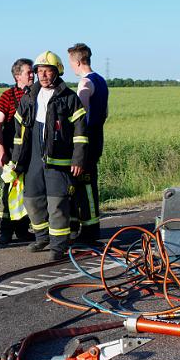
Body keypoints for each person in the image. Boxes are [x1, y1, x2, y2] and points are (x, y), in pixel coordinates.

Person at [9, 51, 88, 260]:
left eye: (48, 71)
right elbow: (19, 133)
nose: (42, 75)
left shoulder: (70, 98)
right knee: (32, 201)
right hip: (34, 159)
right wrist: (16, 161)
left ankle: (58, 246)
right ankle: (42, 236)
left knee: (57, 205)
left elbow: (80, 133)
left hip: (59, 162)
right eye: (39, 71)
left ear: (57, 71)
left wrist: (78, 159)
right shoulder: (29, 97)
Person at [67, 43, 109, 243]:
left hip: (87, 140)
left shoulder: (85, 83)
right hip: (98, 136)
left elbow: (79, 114)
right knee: (87, 183)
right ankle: (82, 226)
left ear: (77, 61)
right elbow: (106, 112)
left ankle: (90, 229)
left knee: (85, 185)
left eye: (70, 63)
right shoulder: (101, 80)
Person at [0, 58, 35, 244]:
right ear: (18, 76)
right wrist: (1, 151)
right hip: (10, 153)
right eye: (29, 72)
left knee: (25, 193)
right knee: (7, 192)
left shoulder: (37, 94)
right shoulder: (7, 96)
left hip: (30, 154)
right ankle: (5, 232)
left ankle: (22, 230)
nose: (33, 75)